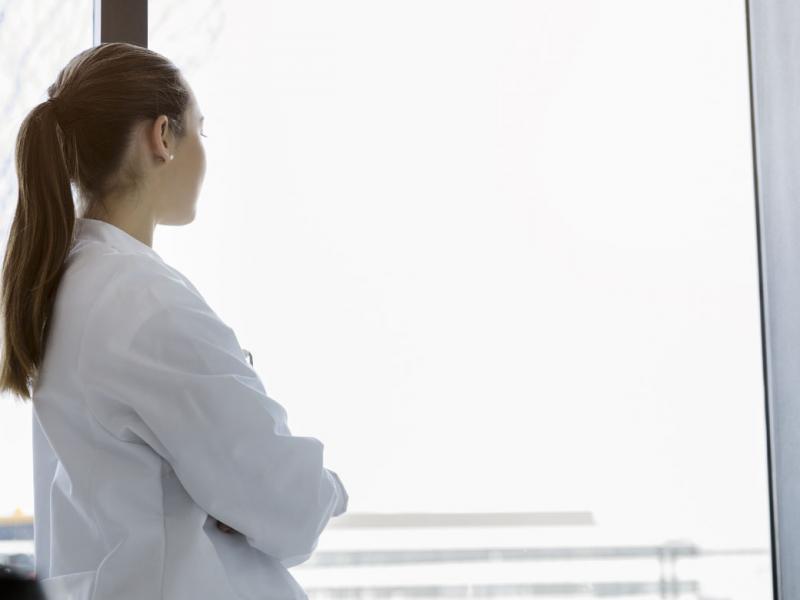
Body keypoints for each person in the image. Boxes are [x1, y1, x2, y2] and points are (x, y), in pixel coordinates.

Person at [0, 42, 348, 600]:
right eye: (199, 132)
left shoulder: (68, 286)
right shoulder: (142, 303)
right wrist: (327, 489)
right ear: (162, 137)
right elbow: (289, 506)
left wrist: (226, 494)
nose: (203, 152)